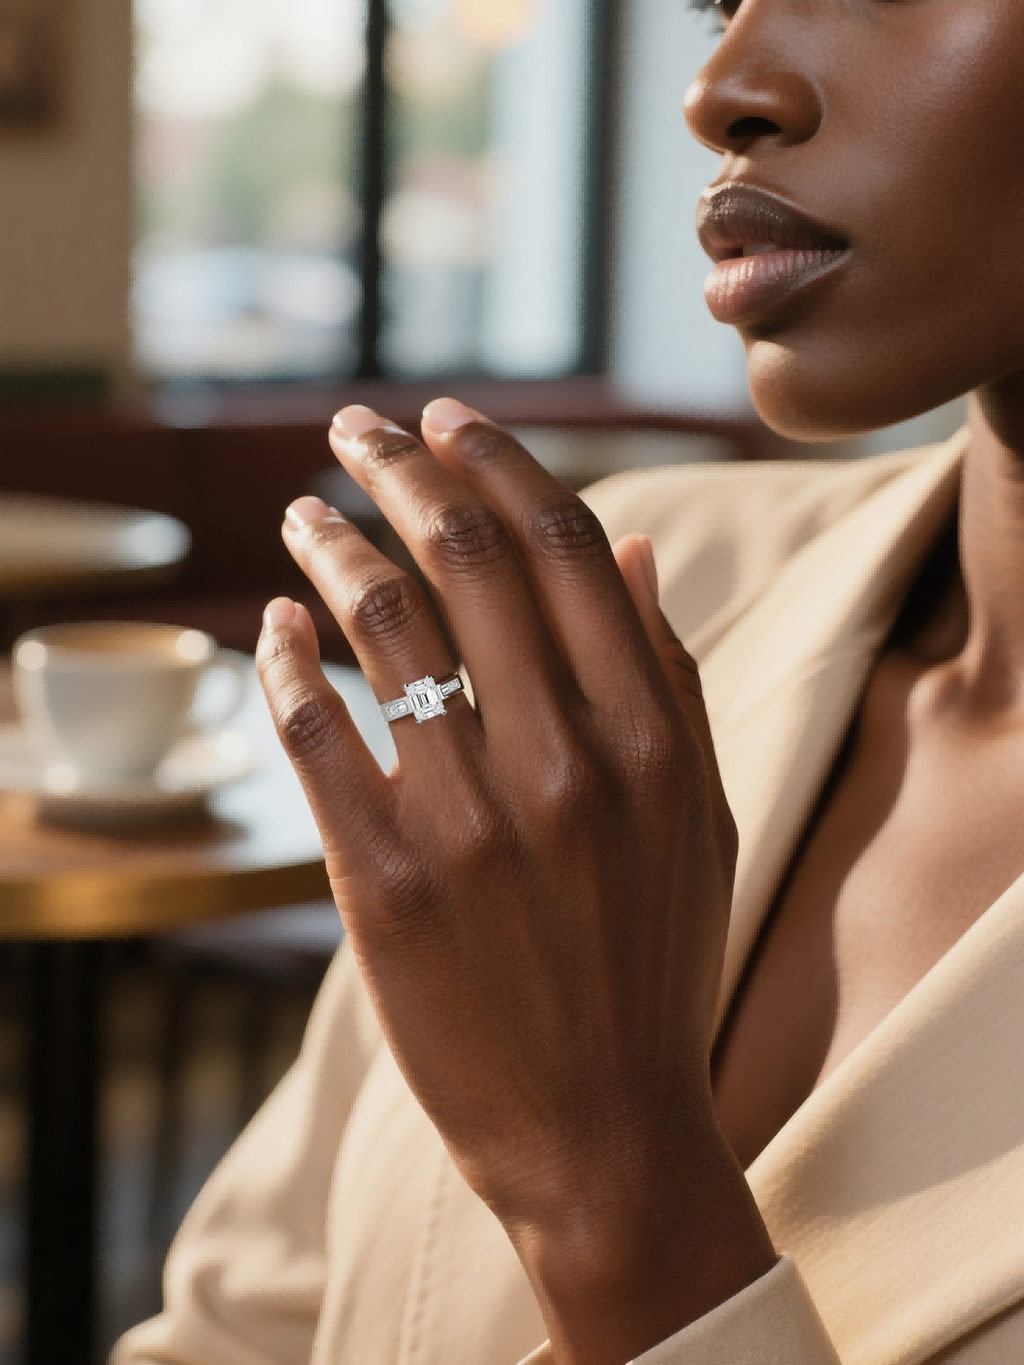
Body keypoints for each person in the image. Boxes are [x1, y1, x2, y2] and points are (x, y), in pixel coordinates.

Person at [114, 1, 1024, 1362]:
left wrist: (611, 1197)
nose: (720, 88)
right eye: (719, 0)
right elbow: (239, 1327)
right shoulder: (645, 593)